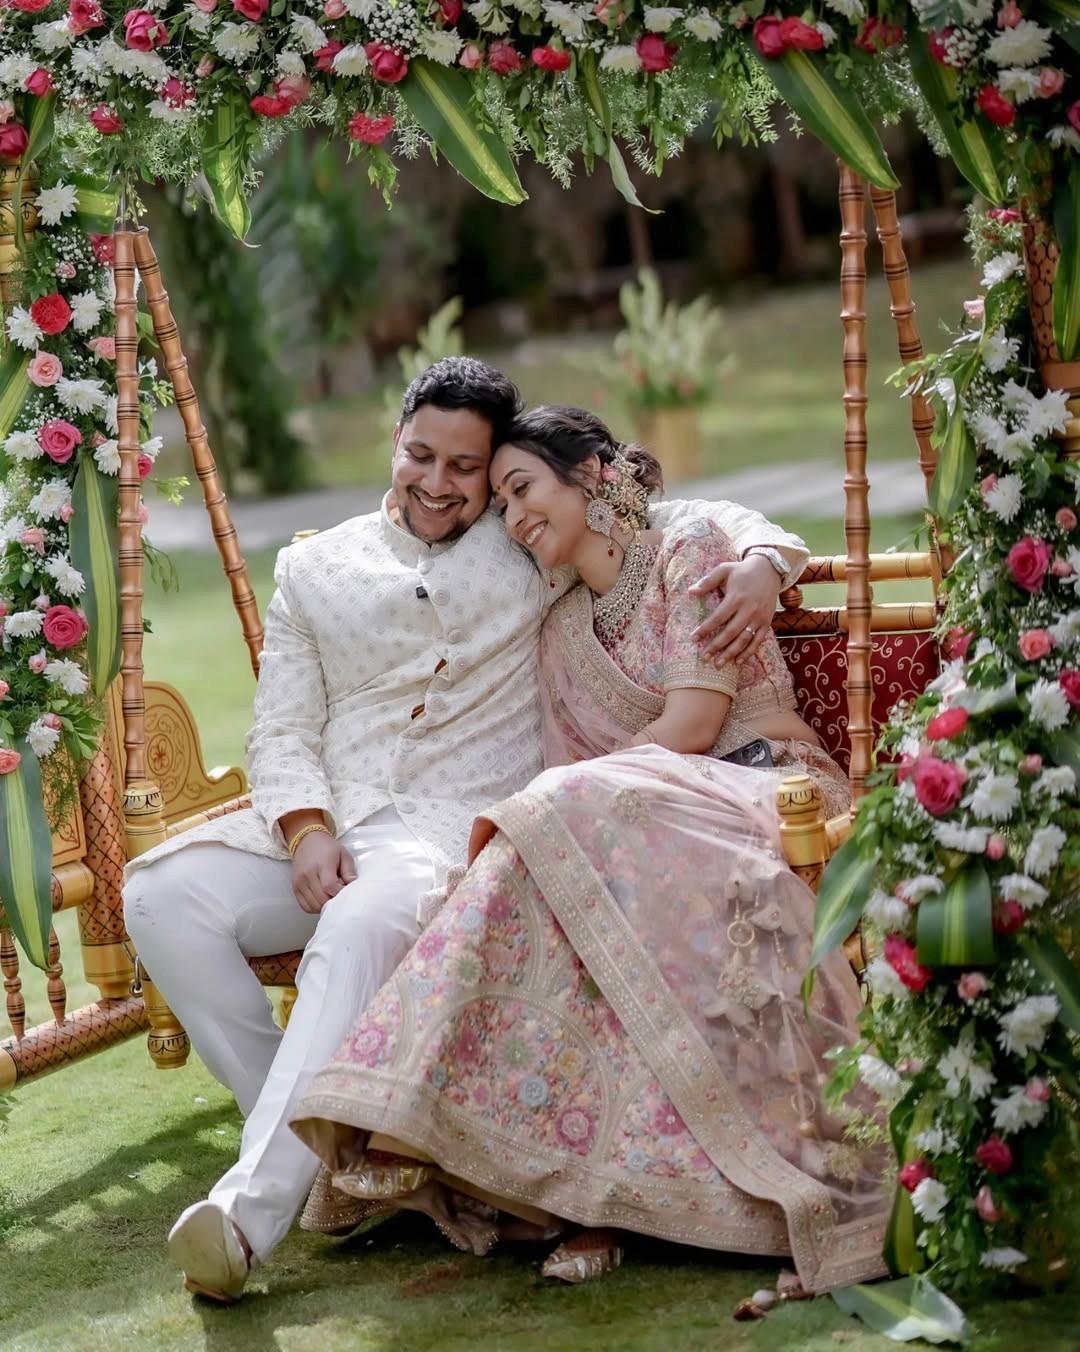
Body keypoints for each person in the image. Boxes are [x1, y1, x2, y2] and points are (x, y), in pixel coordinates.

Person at [121, 362, 810, 1302]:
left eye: (466, 469)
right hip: (326, 822)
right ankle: (326, 1155)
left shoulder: (527, 542)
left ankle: (247, 1215)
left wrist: (771, 560)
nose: (439, 483)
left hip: (446, 832)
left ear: (493, 477)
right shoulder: (313, 568)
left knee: (362, 925)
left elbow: (683, 516)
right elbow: (279, 727)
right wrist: (305, 824)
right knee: (158, 895)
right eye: (421, 456)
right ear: (395, 440)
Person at [291, 406, 890, 1295]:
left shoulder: (689, 552)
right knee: (549, 865)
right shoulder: (560, 631)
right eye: (500, 503)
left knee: (558, 816)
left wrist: (768, 561)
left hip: (766, 790)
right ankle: (580, 1189)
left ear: (595, 476)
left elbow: (691, 726)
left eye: (521, 487)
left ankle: (538, 1181)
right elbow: (574, 777)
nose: (513, 515)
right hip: (628, 823)